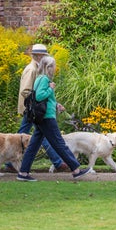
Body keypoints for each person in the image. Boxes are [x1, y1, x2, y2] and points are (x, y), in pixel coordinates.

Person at [17, 56, 90, 181]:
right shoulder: (45, 79)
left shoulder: (39, 79)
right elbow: (40, 96)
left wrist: (55, 104)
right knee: (59, 143)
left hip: (41, 116)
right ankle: (76, 169)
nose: (55, 68)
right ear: (48, 67)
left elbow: (42, 98)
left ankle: (23, 173)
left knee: (34, 145)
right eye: (53, 66)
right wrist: (51, 88)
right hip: (46, 117)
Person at [9, 44, 68, 172]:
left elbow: (40, 91)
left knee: (37, 134)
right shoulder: (31, 69)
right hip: (31, 109)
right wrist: (36, 103)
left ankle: (10, 163)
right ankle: (58, 162)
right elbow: (26, 91)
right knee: (32, 135)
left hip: (34, 109)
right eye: (43, 55)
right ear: (37, 55)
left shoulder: (38, 69)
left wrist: (54, 103)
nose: (44, 58)